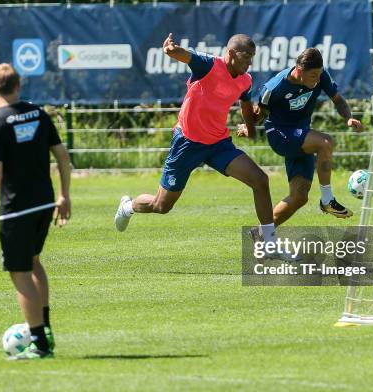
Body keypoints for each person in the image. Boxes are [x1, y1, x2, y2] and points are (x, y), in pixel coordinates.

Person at [114, 33, 290, 260]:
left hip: (218, 144)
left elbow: (246, 105)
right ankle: (127, 207)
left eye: (252, 58)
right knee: (162, 205)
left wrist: (250, 128)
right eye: (246, 57)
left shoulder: (245, 79)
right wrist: (170, 50)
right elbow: (185, 55)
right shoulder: (209, 65)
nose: (249, 63)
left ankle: (269, 243)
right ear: (230, 54)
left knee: (260, 180)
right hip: (187, 142)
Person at [0, 63, 72, 360]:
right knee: (34, 262)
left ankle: (39, 342)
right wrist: (64, 195)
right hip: (45, 203)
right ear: (18, 85)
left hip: (16, 209)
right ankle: (46, 330)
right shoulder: (39, 113)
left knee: (20, 273)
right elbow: (62, 156)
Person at [238, 47, 363, 227]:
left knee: (299, 197)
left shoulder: (321, 76)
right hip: (280, 135)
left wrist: (348, 117)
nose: (317, 79)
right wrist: (249, 126)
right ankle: (327, 200)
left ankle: (261, 234)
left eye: (319, 74)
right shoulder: (274, 88)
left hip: (301, 135)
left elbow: (338, 100)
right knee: (325, 142)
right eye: (313, 75)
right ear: (298, 70)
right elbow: (260, 112)